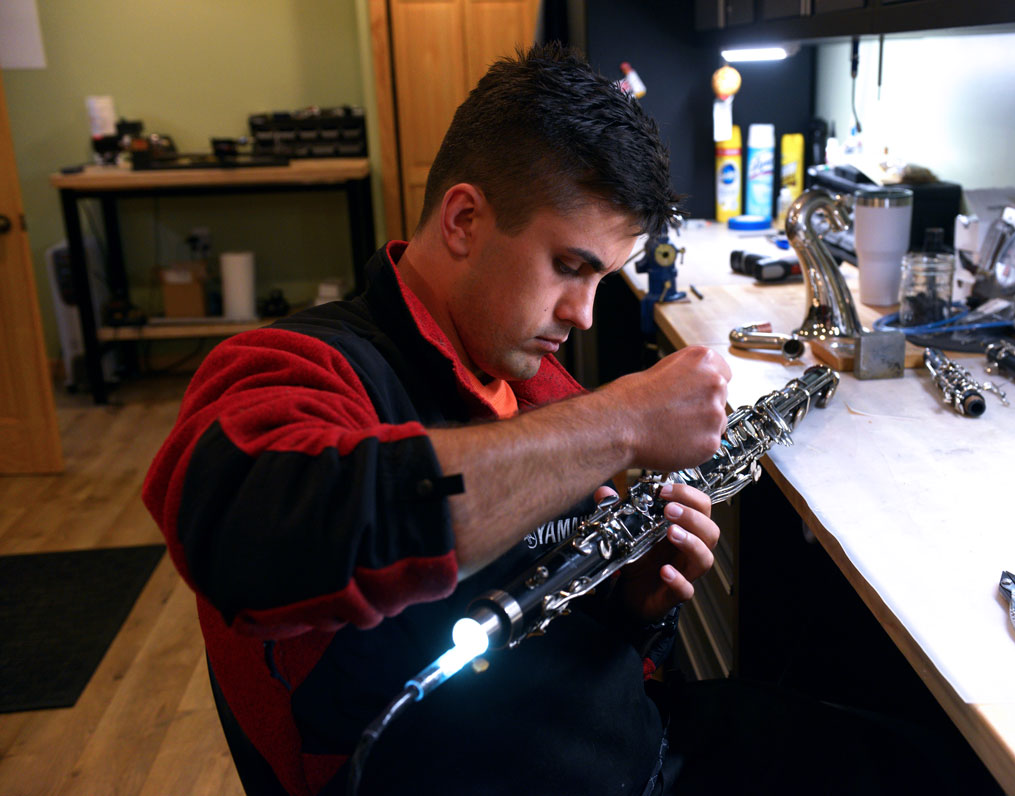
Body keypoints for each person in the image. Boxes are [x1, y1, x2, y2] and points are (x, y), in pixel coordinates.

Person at [144, 43, 731, 795]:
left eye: (602, 279)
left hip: (632, 747)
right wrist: (620, 422)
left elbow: (547, 622)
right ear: (462, 219)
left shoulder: (536, 378)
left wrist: (628, 604)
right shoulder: (291, 366)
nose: (581, 315)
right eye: (569, 266)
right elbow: (254, 539)